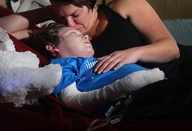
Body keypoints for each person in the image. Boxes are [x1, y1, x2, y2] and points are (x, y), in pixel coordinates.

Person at [0, 0, 192, 119]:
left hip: (183, 64)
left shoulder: (125, 4)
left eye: (76, 15)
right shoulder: (60, 38)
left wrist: (133, 54)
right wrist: (54, 11)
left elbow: (171, 48)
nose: (70, 24)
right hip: (152, 92)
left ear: (92, 3)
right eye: (62, 17)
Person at [30, 22, 165, 113]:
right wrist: (126, 85)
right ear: (52, 47)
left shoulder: (93, 60)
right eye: (74, 34)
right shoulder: (60, 66)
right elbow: (73, 100)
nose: (86, 36)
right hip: (134, 97)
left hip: (157, 83)